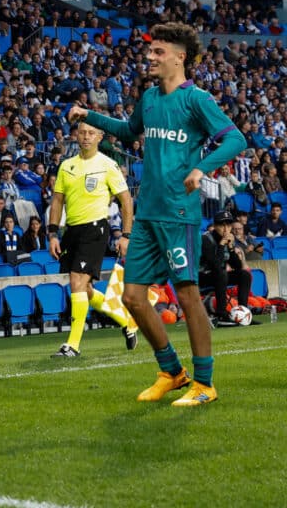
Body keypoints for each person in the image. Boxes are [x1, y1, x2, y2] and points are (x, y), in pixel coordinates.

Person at [70, 22, 246, 406]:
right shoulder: (149, 98)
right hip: (148, 213)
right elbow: (131, 130)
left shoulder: (196, 99)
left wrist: (203, 167)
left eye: (158, 52)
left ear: (180, 58)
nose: (150, 57)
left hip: (178, 213)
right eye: (149, 51)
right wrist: (90, 115)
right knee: (133, 298)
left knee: (187, 296)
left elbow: (235, 138)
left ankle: (205, 384)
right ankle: (172, 371)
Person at [47, 121, 136, 358]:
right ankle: (126, 321)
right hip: (71, 231)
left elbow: (126, 200)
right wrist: (53, 233)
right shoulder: (66, 166)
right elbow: (57, 201)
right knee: (84, 290)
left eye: (91, 133)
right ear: (76, 136)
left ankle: (72, 345)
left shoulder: (108, 165)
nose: (85, 137)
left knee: (76, 282)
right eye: (82, 132)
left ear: (100, 136)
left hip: (95, 229)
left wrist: (126, 235)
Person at [199, 210, 253, 325]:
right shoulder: (205, 239)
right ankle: (221, 314)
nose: (225, 228)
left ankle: (242, 313)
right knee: (221, 272)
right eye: (221, 225)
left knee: (244, 275)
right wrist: (221, 245)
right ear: (214, 226)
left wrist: (231, 247)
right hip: (203, 277)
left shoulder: (229, 239)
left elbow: (238, 266)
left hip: (219, 276)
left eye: (228, 225)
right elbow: (215, 265)